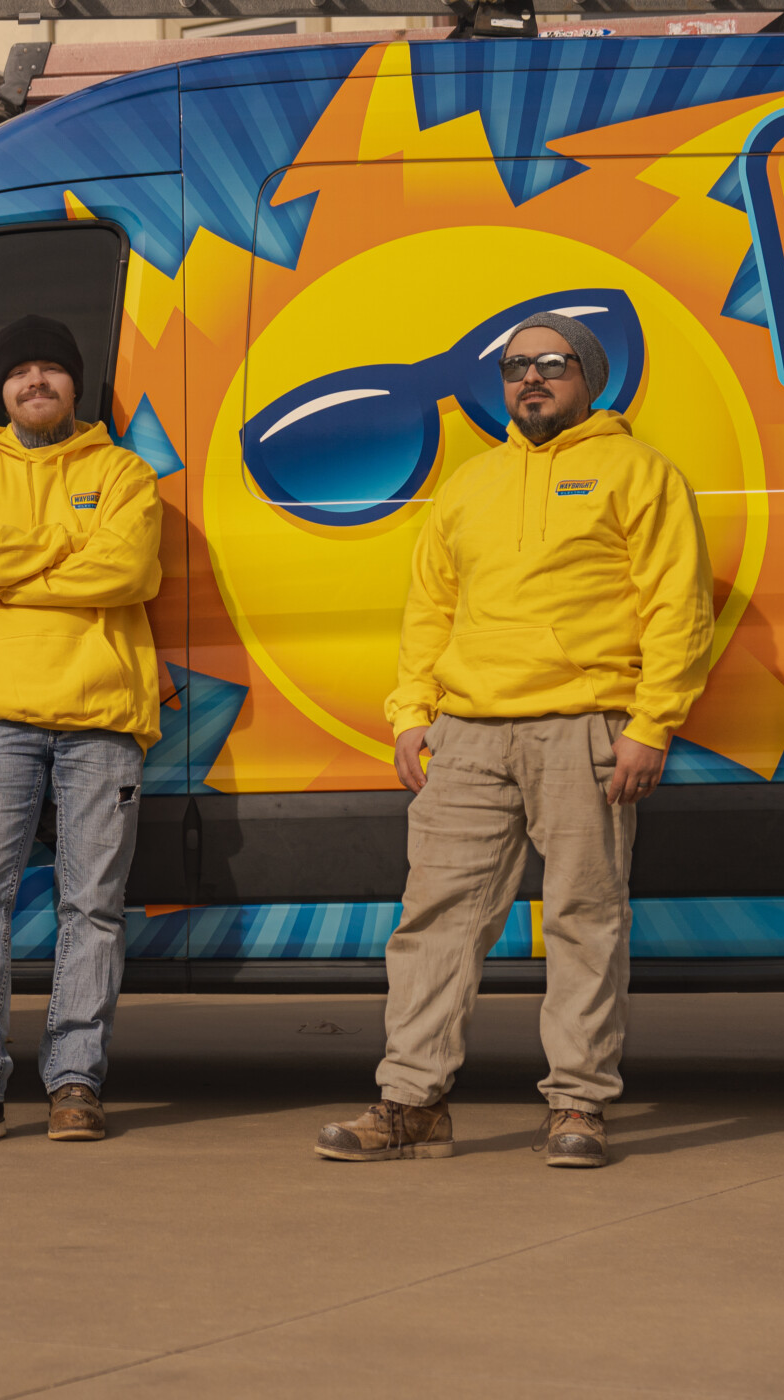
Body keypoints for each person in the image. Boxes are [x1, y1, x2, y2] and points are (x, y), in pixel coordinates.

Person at [316, 311, 713, 1169]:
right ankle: (411, 1105)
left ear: (588, 379)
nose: (530, 377)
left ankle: (578, 1106)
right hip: (466, 736)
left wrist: (653, 723)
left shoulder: (641, 473)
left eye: (552, 363)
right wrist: (412, 712)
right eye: (514, 365)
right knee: (434, 922)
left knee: (584, 921)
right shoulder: (471, 484)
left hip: (585, 729)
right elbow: (430, 606)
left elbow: (679, 606)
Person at [0, 315, 164, 1148]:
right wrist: (68, 547)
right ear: (1, 388)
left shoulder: (125, 472)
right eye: (20, 371)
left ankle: (75, 1082)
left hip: (102, 720)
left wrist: (9, 572)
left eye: (51, 368)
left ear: (74, 383)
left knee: (92, 908)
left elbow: (128, 567)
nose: (35, 381)